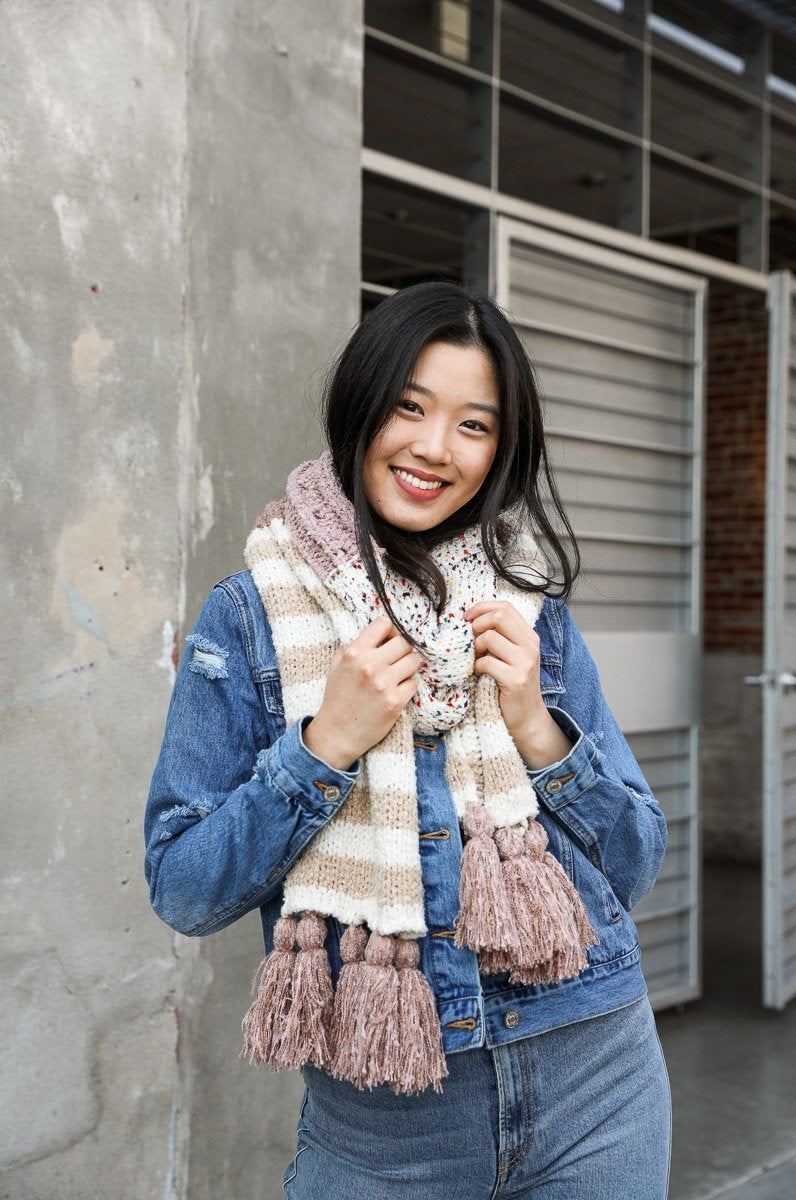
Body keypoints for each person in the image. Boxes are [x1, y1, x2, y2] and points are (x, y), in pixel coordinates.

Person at [144, 280, 672, 1199]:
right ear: (361, 408)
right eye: (410, 407)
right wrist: (322, 749)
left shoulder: (525, 606)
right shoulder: (251, 616)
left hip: (599, 1079)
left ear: (501, 447)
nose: (435, 449)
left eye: (475, 424)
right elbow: (183, 890)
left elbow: (633, 864)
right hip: (390, 1120)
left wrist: (540, 733)